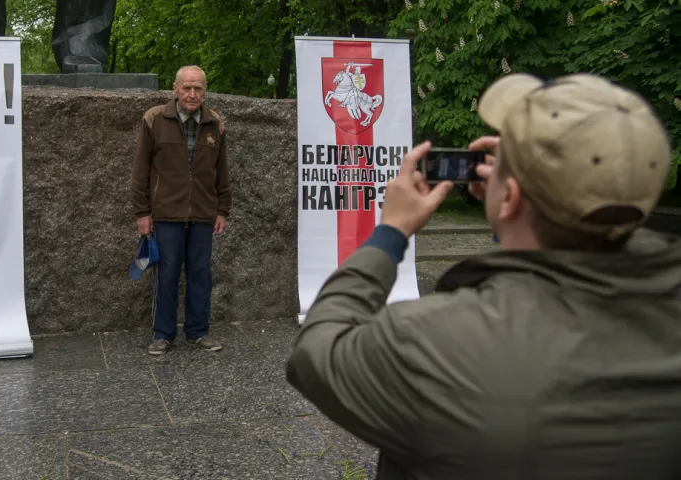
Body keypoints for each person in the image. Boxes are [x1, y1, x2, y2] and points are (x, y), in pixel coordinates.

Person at [286, 72, 681, 479]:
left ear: (508, 198)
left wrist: (391, 232)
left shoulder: (437, 341)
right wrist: (519, 186)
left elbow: (317, 351)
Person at [131, 65, 231, 355]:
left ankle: (197, 332)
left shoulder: (215, 123)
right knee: (167, 275)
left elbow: (222, 171)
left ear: (205, 91)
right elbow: (140, 170)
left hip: (203, 214)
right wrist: (142, 213)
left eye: (198, 88)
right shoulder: (155, 119)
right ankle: (163, 334)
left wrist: (222, 209)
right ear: (175, 89)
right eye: (187, 87)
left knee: (201, 274)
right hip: (166, 214)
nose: (192, 93)